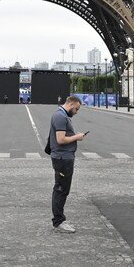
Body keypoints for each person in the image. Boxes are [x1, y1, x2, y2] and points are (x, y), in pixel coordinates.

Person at [47, 94, 88, 233]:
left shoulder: (61, 115)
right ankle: (59, 222)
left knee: (62, 189)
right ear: (71, 104)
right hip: (62, 158)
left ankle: (59, 220)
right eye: (76, 109)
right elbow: (61, 140)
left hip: (64, 157)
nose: (76, 112)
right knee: (61, 189)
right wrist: (77, 137)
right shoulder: (60, 116)